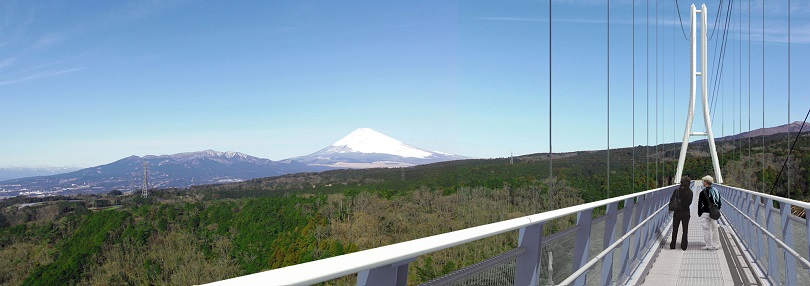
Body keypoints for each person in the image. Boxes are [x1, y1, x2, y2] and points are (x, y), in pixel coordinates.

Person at [697, 175, 722, 250]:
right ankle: (716, 245)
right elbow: (719, 203)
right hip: (713, 212)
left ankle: (708, 245)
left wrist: (699, 212)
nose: (703, 182)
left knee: (706, 229)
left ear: (706, 182)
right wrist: (716, 209)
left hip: (705, 212)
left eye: (703, 181)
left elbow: (699, 204)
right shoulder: (716, 191)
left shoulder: (702, 192)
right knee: (715, 229)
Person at [671, 176, 693, 250]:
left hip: (677, 212)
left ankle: (673, 244)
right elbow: (689, 203)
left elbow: (672, 200)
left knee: (675, 229)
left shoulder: (677, 190)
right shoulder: (690, 192)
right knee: (685, 229)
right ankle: (684, 245)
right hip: (686, 212)